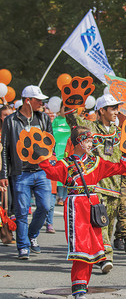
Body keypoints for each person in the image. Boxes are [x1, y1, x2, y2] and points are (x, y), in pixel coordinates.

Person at [39, 126, 126, 298]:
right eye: (88, 141)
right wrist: (41, 156)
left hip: (93, 205)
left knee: (92, 248)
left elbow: (118, 168)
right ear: (78, 142)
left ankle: (83, 285)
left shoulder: (96, 162)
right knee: (80, 247)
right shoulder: (65, 164)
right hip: (76, 206)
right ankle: (79, 286)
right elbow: (51, 172)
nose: (91, 144)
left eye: (90, 141)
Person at [65, 94, 126, 273]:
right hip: (95, 186)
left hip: (115, 186)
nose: (116, 111)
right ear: (101, 110)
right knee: (101, 223)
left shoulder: (119, 132)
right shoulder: (90, 127)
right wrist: (72, 100)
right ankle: (106, 256)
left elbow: (125, 156)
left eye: (116, 108)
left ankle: (100, 255)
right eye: (112, 108)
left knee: (109, 223)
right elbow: (72, 118)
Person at [0, 85, 53, 259]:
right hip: (21, 172)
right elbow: (5, 149)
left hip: (41, 171)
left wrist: (52, 167)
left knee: (45, 206)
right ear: (27, 101)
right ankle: (23, 246)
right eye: (38, 100)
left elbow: (50, 145)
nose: (42, 103)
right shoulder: (11, 120)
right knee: (22, 211)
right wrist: (3, 175)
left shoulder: (44, 118)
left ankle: (32, 235)